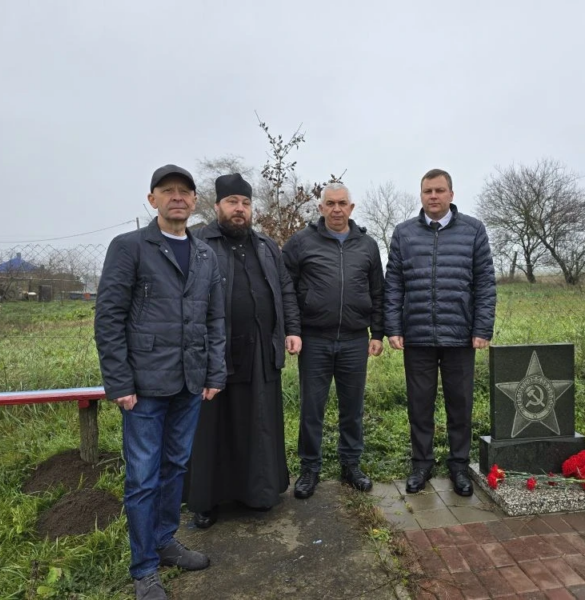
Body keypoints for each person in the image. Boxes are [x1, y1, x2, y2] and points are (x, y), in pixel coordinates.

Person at [95, 164, 226, 600]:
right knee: (143, 478)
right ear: (152, 199)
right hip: (144, 387)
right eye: (167, 191)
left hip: (190, 382)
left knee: (175, 468)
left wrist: (214, 371)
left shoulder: (204, 254)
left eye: (185, 191)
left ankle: (165, 540)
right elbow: (109, 317)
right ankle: (144, 569)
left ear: (194, 201)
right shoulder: (130, 247)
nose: (177, 197)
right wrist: (120, 382)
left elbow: (215, 318)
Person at [184, 173, 302, 528]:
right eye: (232, 202)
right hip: (214, 352)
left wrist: (292, 329)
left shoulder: (266, 245)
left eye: (246, 203)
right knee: (213, 428)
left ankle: (259, 493)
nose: (240, 209)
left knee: (258, 423)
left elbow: (284, 289)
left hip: (260, 351)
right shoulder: (198, 242)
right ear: (217, 205)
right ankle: (207, 501)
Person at [384, 168, 496, 497]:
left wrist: (482, 328)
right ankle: (421, 464)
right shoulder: (404, 233)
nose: (433, 196)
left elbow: (485, 284)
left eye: (439, 190)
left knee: (460, 404)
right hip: (417, 335)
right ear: (421, 195)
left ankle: (459, 466)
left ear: (451, 194)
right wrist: (393, 326)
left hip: (460, 335)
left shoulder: (473, 230)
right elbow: (394, 284)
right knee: (419, 405)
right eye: (427, 191)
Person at [282, 183, 384, 499]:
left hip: (355, 340)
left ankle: (350, 465)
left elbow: (378, 291)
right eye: (330, 203)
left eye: (342, 203)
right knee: (312, 409)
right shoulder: (300, 243)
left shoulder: (367, 245)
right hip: (315, 339)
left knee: (352, 409)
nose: (336, 209)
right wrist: (292, 329)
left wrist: (378, 333)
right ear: (321, 208)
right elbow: (286, 290)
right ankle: (309, 468)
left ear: (351, 208)